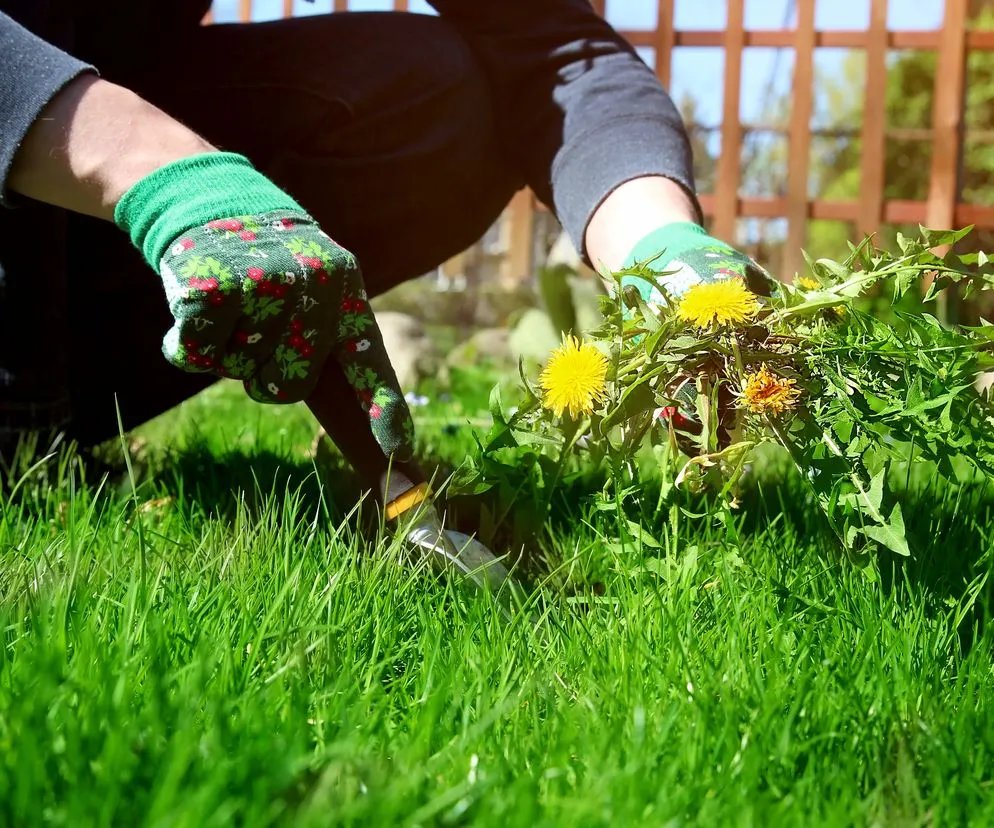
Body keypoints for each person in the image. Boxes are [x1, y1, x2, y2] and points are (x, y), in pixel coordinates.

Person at [0, 0, 770, 524]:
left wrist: (661, 255)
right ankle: (19, 429)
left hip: (75, 242)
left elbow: (555, 50)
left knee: (436, 93)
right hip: (53, 132)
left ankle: (41, 423)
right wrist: (168, 179)